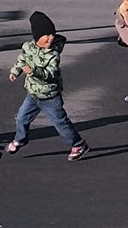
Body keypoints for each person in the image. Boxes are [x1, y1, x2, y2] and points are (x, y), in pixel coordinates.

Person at [5, 11, 89, 161]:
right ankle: (20, 139)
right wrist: (15, 71)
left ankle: (78, 144)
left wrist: (33, 71)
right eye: (47, 35)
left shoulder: (53, 54)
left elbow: (50, 74)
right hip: (32, 94)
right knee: (21, 118)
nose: (51, 38)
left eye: (52, 34)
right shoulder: (28, 47)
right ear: (37, 36)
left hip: (50, 96)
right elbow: (21, 60)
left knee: (60, 122)